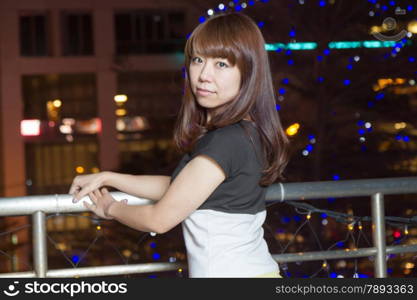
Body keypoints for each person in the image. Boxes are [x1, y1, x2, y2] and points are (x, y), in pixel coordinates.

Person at [70, 12, 290, 278]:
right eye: (198, 60)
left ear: (249, 72)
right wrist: (110, 177)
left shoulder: (227, 141)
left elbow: (159, 220)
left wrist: (110, 208)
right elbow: (183, 189)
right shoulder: (245, 131)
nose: (203, 75)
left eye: (221, 64)